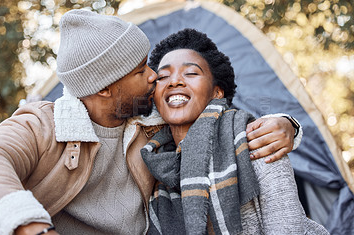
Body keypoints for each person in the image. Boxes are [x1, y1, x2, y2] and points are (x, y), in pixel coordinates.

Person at [0, 10, 301, 235]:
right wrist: (30, 227)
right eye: (142, 71)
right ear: (105, 88)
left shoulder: (149, 124)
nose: (155, 77)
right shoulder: (45, 125)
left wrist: (286, 124)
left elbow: (205, 122)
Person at [140, 28, 328, 234]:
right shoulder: (153, 158)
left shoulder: (257, 144)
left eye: (191, 73)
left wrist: (289, 123)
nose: (174, 81)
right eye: (163, 76)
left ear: (217, 92)